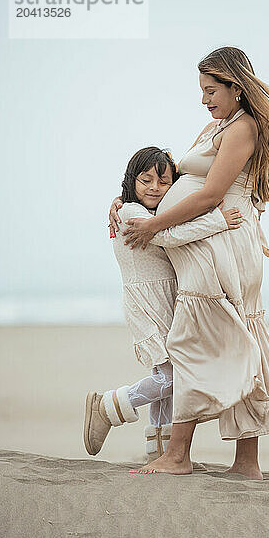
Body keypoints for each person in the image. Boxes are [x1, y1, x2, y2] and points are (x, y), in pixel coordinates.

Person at [110, 46, 269, 480]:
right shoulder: (216, 126)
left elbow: (208, 195)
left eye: (211, 90)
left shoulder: (242, 129)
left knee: (193, 340)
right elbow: (174, 174)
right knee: (237, 342)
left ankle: (178, 455)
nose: (204, 99)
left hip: (222, 242)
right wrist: (125, 199)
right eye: (201, 90)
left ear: (235, 87)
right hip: (206, 241)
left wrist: (152, 227)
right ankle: (246, 463)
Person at [84, 146, 243, 466]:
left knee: (168, 376)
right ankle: (110, 406)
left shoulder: (150, 213)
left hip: (167, 299)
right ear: (132, 181)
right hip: (147, 304)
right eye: (145, 180)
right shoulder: (130, 213)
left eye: (163, 182)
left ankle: (159, 450)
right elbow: (170, 235)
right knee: (172, 377)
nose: (154, 188)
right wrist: (218, 220)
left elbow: (170, 221)